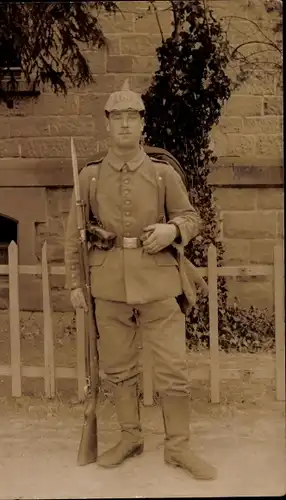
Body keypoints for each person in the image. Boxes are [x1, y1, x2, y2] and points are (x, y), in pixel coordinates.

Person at [64, 80, 217, 480]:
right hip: (109, 285)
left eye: (133, 117)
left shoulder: (163, 174)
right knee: (118, 368)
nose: (126, 125)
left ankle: (178, 447)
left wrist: (172, 231)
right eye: (118, 117)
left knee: (172, 368)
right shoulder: (90, 178)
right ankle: (130, 436)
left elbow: (191, 218)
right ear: (107, 125)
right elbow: (73, 235)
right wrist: (74, 283)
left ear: (143, 124)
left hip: (160, 284)